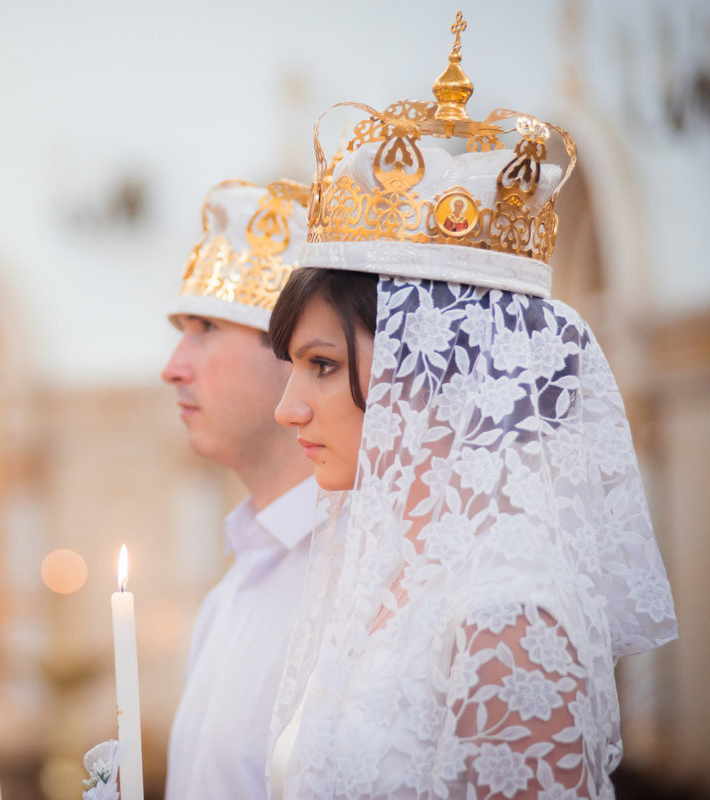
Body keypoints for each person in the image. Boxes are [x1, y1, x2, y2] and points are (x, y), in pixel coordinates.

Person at [264, 18, 677, 799]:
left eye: (321, 367)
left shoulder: (512, 612)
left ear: (437, 371)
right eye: (295, 368)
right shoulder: (380, 577)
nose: (289, 410)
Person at [161, 179, 333, 800]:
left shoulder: (358, 576)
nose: (173, 366)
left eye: (206, 326)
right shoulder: (230, 588)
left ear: (296, 353)